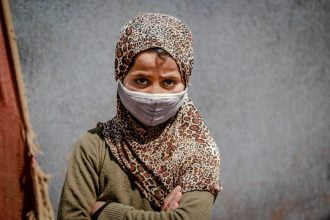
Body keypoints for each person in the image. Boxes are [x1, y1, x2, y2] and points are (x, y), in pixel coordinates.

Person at [57, 12, 221, 220]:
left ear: (185, 82)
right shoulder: (94, 146)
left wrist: (105, 212)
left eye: (168, 82)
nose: (154, 95)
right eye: (141, 80)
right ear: (121, 76)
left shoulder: (198, 151)